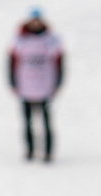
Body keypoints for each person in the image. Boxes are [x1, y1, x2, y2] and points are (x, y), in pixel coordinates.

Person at [9, 10, 63, 162]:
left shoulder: (51, 40)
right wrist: (12, 82)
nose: (35, 23)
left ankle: (48, 152)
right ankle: (30, 150)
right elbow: (11, 61)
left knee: (46, 121)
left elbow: (59, 61)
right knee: (27, 121)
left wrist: (59, 82)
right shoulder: (19, 40)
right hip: (25, 86)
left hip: (45, 85)